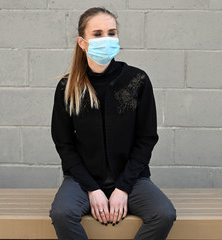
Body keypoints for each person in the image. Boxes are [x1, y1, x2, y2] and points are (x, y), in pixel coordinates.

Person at [49, 7, 176, 240]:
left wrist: (123, 188)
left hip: (132, 178)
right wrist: (93, 189)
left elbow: (146, 139)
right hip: (82, 180)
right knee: (62, 213)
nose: (105, 39)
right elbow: (64, 144)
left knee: (163, 214)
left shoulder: (137, 80)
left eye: (111, 32)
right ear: (82, 42)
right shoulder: (67, 87)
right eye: (97, 34)